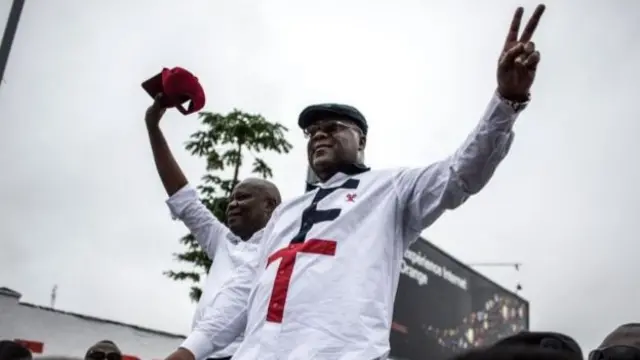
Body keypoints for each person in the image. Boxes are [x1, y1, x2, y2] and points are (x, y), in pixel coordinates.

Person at [166, 4, 546, 360]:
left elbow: (462, 172)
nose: (319, 136)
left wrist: (507, 101)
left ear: (361, 140)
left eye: (332, 128)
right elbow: (243, 290)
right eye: (312, 132)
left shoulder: (390, 191)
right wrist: (189, 351)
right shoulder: (285, 213)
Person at [145, 95, 281, 360]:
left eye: (243, 197)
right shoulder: (224, 241)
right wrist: (153, 127)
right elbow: (184, 199)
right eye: (231, 199)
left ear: (270, 205)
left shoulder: (283, 248)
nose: (232, 204)